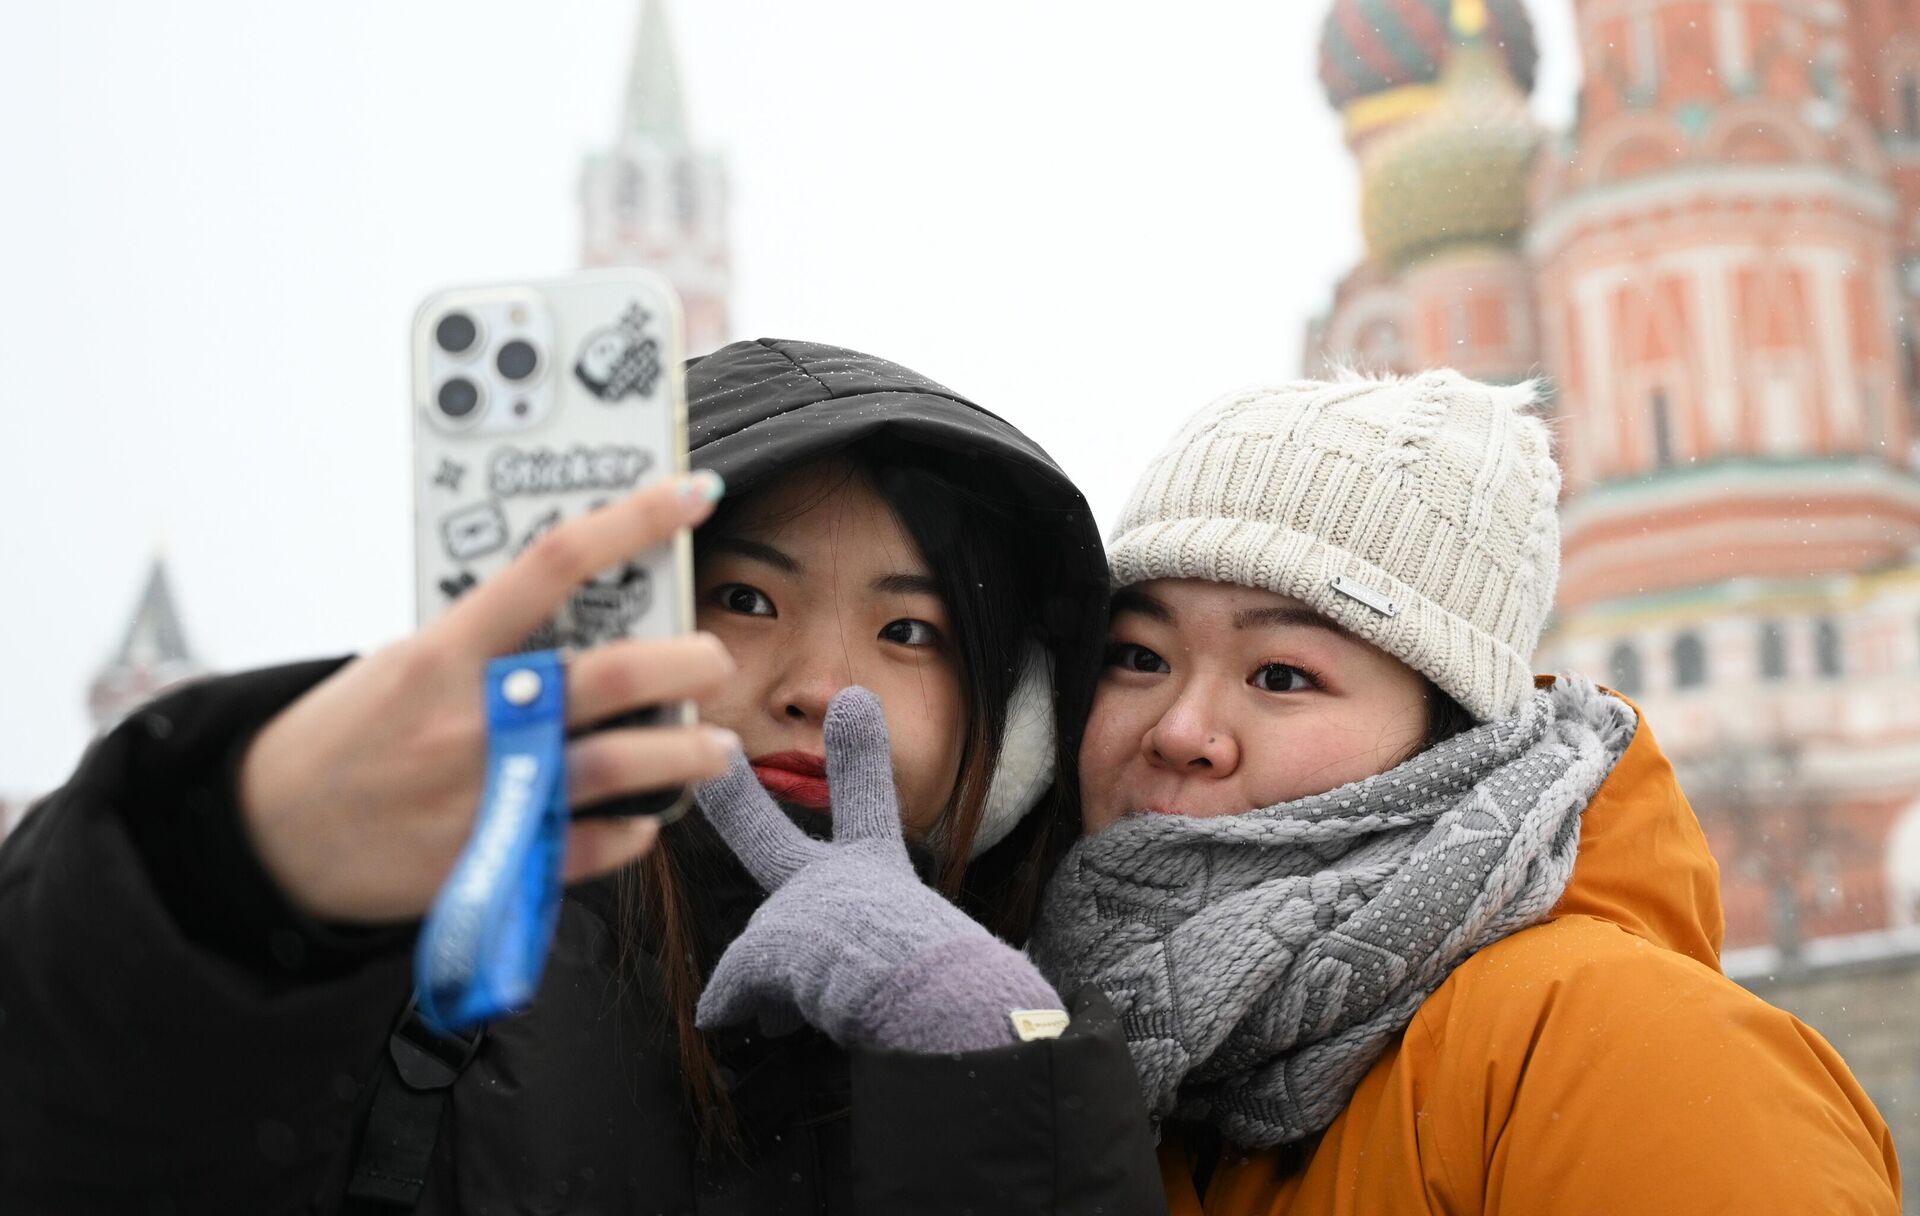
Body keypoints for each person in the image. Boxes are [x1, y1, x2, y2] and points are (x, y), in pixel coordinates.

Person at [0, 338, 1161, 1215]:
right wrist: (234, 872)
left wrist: (974, 1042)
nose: (823, 686)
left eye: (912, 632)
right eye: (744, 600)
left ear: (1009, 734)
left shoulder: (1075, 1022)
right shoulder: (408, 985)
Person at [703, 370, 1902, 1214]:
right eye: (1138, 655)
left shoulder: (1618, 1053)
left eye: (1283, 674)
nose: (1183, 729)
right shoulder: (1119, 1065)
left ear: (1452, 737)